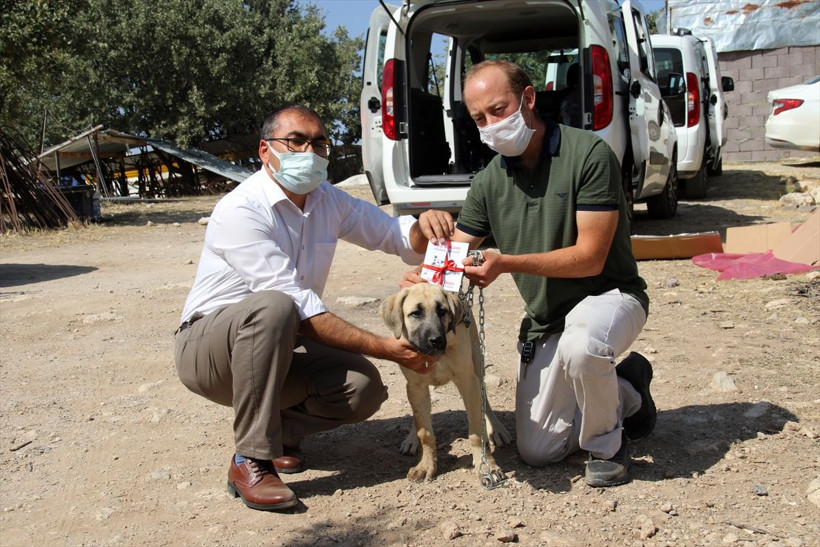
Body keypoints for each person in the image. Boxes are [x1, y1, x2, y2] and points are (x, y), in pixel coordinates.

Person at [174, 105, 453, 511]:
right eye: (297, 141)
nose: (311, 150)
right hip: (209, 351)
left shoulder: (326, 200)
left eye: (319, 142)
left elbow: (391, 233)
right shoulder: (242, 210)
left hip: (280, 341)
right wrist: (386, 347)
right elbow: (298, 306)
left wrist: (423, 228)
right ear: (265, 151)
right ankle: (250, 458)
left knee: (362, 389)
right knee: (274, 305)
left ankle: (281, 432)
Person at [405, 60, 656, 487]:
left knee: (584, 343)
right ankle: (627, 388)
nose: (490, 125)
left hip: (610, 299)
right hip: (548, 321)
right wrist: (422, 237)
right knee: (539, 451)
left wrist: (506, 263)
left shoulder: (588, 154)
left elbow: (591, 257)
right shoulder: (489, 182)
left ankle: (607, 445)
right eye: (479, 118)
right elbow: (453, 251)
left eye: (499, 110)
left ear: (529, 98)